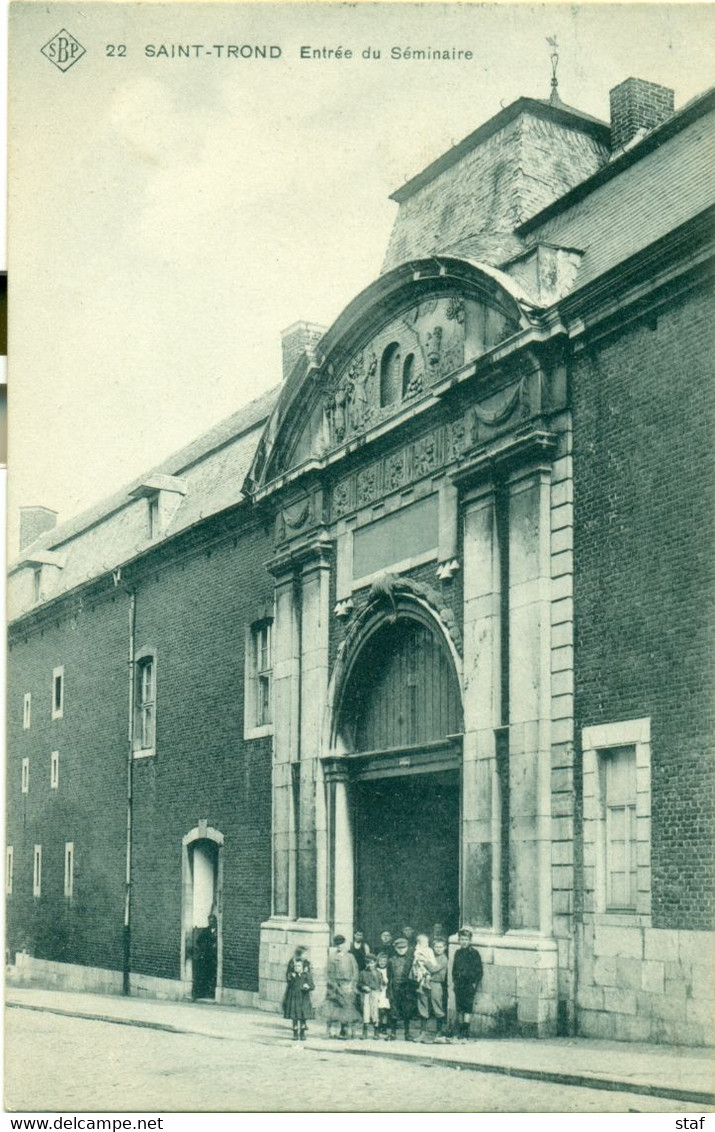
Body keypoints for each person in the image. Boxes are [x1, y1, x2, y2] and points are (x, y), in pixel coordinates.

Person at [324, 934, 361, 1039]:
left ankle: (344, 1030)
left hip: (347, 985)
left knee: (347, 1007)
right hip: (336, 986)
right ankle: (331, 1030)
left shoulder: (350, 957)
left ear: (345, 944)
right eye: (337, 944)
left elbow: (355, 971)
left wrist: (352, 984)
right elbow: (329, 972)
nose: (340, 946)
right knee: (334, 1008)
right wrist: (333, 985)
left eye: (341, 944)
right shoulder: (332, 957)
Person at [452, 927, 483, 1041]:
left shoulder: (474, 953)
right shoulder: (457, 953)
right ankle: (460, 1030)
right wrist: (455, 980)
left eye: (466, 939)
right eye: (462, 939)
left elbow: (479, 971)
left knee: (467, 1008)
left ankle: (465, 1031)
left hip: (468, 985)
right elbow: (454, 969)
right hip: (459, 985)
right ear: (459, 940)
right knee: (459, 1008)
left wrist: (474, 982)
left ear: (470, 941)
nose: (464, 941)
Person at [282, 947, 314, 1041]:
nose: (306, 955)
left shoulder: (306, 965)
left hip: (304, 994)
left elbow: (311, 981)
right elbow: (288, 976)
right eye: (305, 954)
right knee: (294, 1013)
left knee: (303, 1012)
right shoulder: (292, 963)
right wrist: (291, 977)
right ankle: (295, 1032)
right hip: (295, 992)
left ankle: (303, 1031)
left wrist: (308, 985)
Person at [411, 932, 438, 1041]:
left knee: (434, 1007)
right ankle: (423, 1032)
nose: (426, 944)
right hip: (421, 978)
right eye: (424, 942)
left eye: (427, 942)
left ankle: (435, 1033)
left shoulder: (430, 951)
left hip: (430, 979)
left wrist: (425, 961)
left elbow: (433, 964)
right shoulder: (417, 950)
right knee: (422, 1005)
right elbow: (416, 960)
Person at [388, 937, 415, 1041]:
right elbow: (389, 975)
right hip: (394, 987)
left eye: (403, 947)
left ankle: (407, 1033)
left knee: (407, 1010)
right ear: (395, 948)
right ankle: (393, 1033)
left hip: (407, 988)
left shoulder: (411, 959)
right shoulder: (391, 960)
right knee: (394, 1010)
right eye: (399, 948)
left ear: (407, 947)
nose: (401, 950)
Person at [429, 937, 449, 1042]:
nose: (438, 949)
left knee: (437, 1006)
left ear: (445, 948)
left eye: (441, 947)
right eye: (436, 947)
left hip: (437, 983)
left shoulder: (443, 958)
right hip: (429, 982)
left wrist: (426, 962)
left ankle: (439, 1030)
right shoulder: (433, 957)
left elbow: (433, 969)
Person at [358, 953, 381, 1038]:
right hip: (366, 994)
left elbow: (380, 984)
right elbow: (359, 983)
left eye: (371, 963)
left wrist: (378, 990)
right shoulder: (362, 973)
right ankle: (365, 1033)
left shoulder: (378, 973)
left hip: (375, 993)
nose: (369, 965)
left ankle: (376, 1032)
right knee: (366, 1011)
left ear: (375, 963)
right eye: (367, 963)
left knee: (375, 1011)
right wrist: (363, 987)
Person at [375, 952, 391, 1038]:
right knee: (378, 1010)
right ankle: (377, 1026)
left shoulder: (388, 970)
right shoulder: (376, 970)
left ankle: (384, 1027)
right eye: (380, 961)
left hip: (385, 991)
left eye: (384, 961)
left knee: (385, 1010)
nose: (382, 963)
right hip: (378, 991)